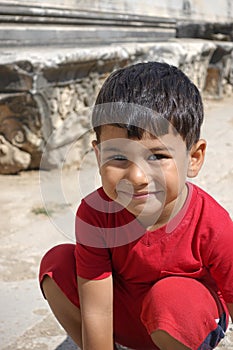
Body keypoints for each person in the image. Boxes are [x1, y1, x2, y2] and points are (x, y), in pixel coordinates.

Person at [39, 61, 233, 350]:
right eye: (118, 158)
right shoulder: (96, 215)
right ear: (98, 155)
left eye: (157, 156)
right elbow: (97, 308)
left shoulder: (211, 223)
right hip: (129, 322)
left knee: (169, 299)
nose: (137, 178)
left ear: (193, 158)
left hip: (186, 323)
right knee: (57, 265)